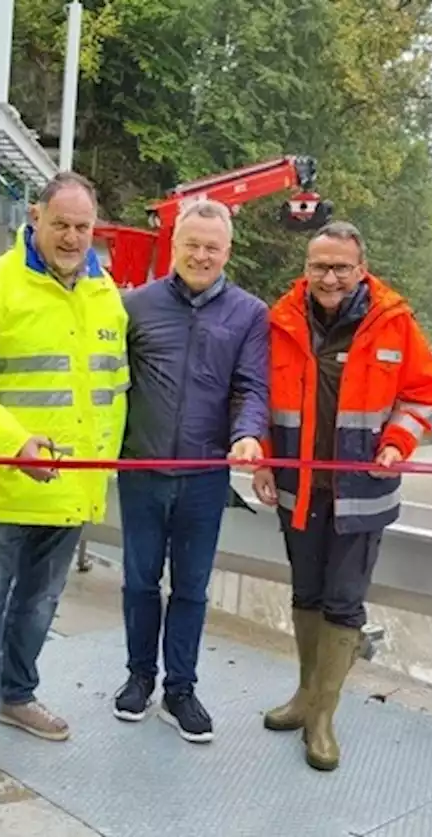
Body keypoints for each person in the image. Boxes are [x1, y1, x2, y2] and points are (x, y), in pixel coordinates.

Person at [0, 171, 130, 784]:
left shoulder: (106, 296)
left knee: (40, 604)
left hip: (71, 488)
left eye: (82, 227)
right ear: (35, 218)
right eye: (61, 225)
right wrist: (15, 443)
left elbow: (114, 393)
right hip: (3, 486)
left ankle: (16, 694)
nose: (72, 238)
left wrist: (98, 474)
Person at [253, 220, 432, 772]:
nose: (330, 277)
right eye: (320, 266)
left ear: (360, 269)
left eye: (341, 267)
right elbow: (258, 396)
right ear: (305, 268)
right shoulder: (281, 320)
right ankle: (303, 697)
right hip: (298, 490)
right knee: (306, 594)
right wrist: (264, 458)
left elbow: (425, 392)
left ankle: (322, 718)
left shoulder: (394, 323)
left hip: (362, 493)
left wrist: (398, 441)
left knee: (342, 601)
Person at [111, 199, 268, 743]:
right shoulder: (133, 306)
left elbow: (252, 387)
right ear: (173, 245)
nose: (201, 256)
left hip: (204, 477)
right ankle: (139, 677)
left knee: (192, 588)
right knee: (138, 580)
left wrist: (248, 433)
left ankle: (181, 688)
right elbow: (108, 383)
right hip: (142, 469)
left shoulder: (250, 314)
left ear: (228, 251)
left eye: (212, 247)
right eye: (192, 244)